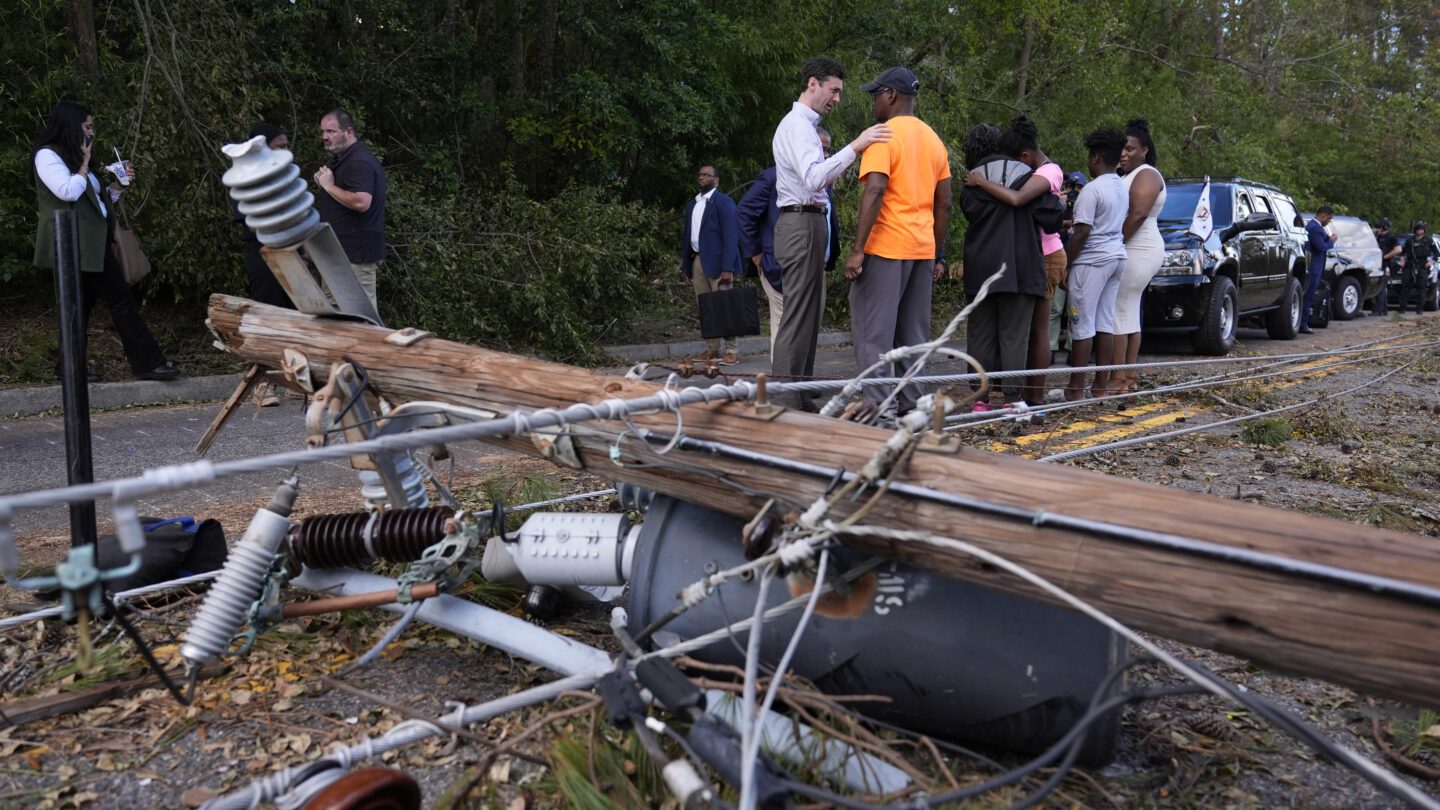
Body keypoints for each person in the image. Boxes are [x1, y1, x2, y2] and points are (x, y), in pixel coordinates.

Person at [770, 56, 892, 409]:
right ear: (813, 84)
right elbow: (813, 178)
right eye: (833, 90)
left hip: (809, 222)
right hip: (799, 223)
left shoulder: (807, 126)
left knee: (809, 315)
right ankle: (783, 402)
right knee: (797, 315)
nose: (837, 98)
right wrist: (857, 146)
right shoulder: (796, 125)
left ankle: (799, 393)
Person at [32, 101, 179, 383]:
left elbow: (97, 203)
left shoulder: (74, 159)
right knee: (120, 300)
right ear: (72, 126)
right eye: (88, 126)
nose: (92, 133)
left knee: (80, 307)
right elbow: (67, 192)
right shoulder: (48, 156)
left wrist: (117, 187)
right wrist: (86, 164)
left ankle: (69, 368)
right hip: (74, 243)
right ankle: (148, 363)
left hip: (91, 243)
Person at [845, 67, 951, 417]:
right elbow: (944, 202)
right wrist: (936, 251)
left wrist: (858, 249)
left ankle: (879, 408)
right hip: (921, 251)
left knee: (874, 334)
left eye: (876, 94)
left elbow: (875, 189)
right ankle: (913, 407)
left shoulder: (883, 136)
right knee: (914, 336)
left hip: (886, 248)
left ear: (891, 95)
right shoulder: (933, 139)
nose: (873, 102)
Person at [962, 114, 1064, 405]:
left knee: (980, 333)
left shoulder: (973, 176)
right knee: (1014, 335)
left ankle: (980, 400)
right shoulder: (1030, 176)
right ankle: (1010, 399)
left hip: (981, 265)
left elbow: (968, 210)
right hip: (1020, 266)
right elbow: (1051, 215)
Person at [735, 131, 841, 357]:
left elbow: (829, 218)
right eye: (818, 147)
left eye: (827, 150)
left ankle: (800, 382)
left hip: (817, 265)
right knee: (786, 325)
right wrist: (754, 251)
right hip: (780, 264)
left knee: (810, 324)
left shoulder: (824, 181)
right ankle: (783, 383)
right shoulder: (773, 177)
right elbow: (744, 212)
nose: (823, 154)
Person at [1063, 128, 1128, 400]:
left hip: (1091, 261)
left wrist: (1066, 262)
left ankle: (1075, 388)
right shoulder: (1121, 186)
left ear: (1097, 158)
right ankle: (1100, 386)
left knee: (1081, 323)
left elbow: (1083, 231)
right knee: (1104, 322)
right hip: (1116, 257)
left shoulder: (1092, 189)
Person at [1111, 118, 1167, 394]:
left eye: (1130, 149)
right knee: (1128, 312)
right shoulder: (1127, 176)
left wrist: (1114, 245)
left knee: (1119, 310)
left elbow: (1138, 214)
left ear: (1144, 150)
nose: (1123, 153)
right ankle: (1127, 379)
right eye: (1122, 149)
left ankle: (1117, 380)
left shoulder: (1147, 174)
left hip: (1138, 246)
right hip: (1133, 245)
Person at [314, 109, 386, 308]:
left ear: (349, 131)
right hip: (338, 252)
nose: (325, 137)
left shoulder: (359, 162)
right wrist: (326, 182)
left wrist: (329, 186)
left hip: (355, 256)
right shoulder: (344, 159)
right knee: (335, 316)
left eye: (331, 131)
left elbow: (361, 202)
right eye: (323, 132)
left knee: (361, 317)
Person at [679, 164, 742, 364]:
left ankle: (731, 350)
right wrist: (687, 266)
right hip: (698, 259)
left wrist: (728, 267)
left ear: (716, 180)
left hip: (719, 262)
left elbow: (731, 236)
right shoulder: (693, 204)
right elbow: (688, 236)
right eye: (700, 174)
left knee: (724, 306)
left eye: (707, 175)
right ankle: (712, 349)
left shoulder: (724, 202)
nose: (702, 177)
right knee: (705, 307)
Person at [1302, 206, 1336, 332]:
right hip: (1313, 267)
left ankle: (1304, 323)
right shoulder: (1314, 228)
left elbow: (1323, 239)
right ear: (1322, 216)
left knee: (1309, 296)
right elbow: (1321, 246)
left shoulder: (1318, 228)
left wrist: (1328, 238)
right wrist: (1331, 241)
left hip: (1316, 267)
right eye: (1329, 218)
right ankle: (1303, 324)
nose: (1329, 221)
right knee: (1308, 295)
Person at [1398, 220, 1439, 316]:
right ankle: (1402, 308)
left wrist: (1431, 261)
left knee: (1422, 288)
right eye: (1418, 229)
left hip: (1422, 265)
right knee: (1405, 287)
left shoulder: (1428, 240)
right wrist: (1402, 260)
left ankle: (1419, 309)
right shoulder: (1409, 241)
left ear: (1424, 230)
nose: (1420, 231)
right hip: (1410, 265)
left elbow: (1437, 253)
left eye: (1421, 229)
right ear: (1415, 230)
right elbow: (1402, 252)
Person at [1372, 218, 1401, 316]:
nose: (1377, 229)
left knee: (1381, 287)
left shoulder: (1391, 238)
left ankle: (1379, 310)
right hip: (1377, 264)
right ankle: (1383, 309)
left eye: (1379, 227)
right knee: (1380, 287)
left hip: (1386, 265)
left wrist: (1385, 256)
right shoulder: (1377, 237)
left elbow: (1398, 250)